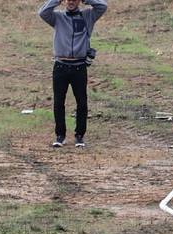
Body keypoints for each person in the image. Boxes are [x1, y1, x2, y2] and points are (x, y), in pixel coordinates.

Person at [38, 0, 107, 148]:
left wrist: (86, 0)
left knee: (82, 103)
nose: (71, 2)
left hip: (79, 67)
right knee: (58, 102)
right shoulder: (57, 18)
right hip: (60, 66)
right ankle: (60, 135)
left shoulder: (88, 16)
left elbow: (103, 6)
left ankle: (79, 136)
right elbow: (42, 12)